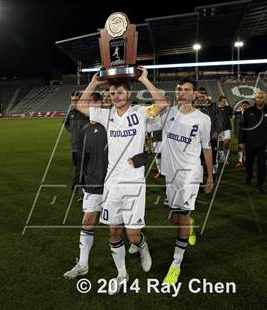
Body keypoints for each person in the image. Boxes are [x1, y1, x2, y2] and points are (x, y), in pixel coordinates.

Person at [75, 67, 168, 295]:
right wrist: (94, 84)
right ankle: (121, 273)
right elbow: (80, 106)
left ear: (128, 94)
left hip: (134, 184)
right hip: (111, 185)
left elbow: (163, 104)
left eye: (119, 92)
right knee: (114, 232)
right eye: (112, 93)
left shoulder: (140, 113)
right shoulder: (105, 116)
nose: (115, 96)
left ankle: (141, 245)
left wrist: (144, 79)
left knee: (132, 235)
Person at [149, 77, 214, 284]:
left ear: (195, 94)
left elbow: (206, 147)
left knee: (182, 218)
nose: (182, 92)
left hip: (190, 174)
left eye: (187, 89)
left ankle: (175, 264)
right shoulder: (168, 113)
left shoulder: (203, 119)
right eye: (179, 89)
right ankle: (191, 223)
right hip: (171, 174)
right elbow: (149, 124)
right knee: (178, 218)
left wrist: (210, 176)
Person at [63, 92, 108, 279]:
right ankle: (83, 264)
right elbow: (82, 158)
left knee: (119, 226)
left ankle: (138, 242)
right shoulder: (84, 130)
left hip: (113, 183)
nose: (88, 107)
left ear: (99, 104)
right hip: (93, 182)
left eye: (92, 103)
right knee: (87, 221)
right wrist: (79, 177)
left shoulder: (112, 124)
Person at [238, 91, 267, 193]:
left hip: (263, 146)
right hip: (249, 144)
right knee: (248, 164)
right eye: (257, 97)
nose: (259, 99)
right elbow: (242, 126)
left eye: (261, 97)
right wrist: (241, 141)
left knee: (262, 166)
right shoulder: (248, 111)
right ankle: (249, 174)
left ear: (265, 98)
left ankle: (259, 185)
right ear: (255, 98)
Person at [64, 91, 90, 192]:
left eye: (76, 100)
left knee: (86, 170)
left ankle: (83, 189)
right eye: (72, 100)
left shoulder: (86, 113)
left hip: (86, 147)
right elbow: (66, 124)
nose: (74, 102)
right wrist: (72, 132)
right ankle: (84, 191)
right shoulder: (70, 113)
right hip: (74, 147)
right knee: (79, 168)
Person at [196, 87, 220, 177]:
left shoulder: (214, 106)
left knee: (213, 155)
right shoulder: (195, 106)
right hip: (198, 137)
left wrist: (217, 131)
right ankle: (200, 175)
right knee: (199, 156)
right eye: (199, 97)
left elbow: (219, 119)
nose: (200, 99)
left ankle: (213, 173)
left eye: (202, 96)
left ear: (206, 96)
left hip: (211, 135)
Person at [234, 101, 251, 167]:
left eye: (246, 105)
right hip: (240, 131)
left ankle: (246, 160)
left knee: (247, 147)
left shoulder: (251, 114)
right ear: (241, 106)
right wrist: (235, 131)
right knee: (240, 146)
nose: (245, 107)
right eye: (243, 105)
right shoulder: (238, 113)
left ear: (249, 106)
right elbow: (235, 122)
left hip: (249, 132)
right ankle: (240, 161)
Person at [216, 95, 233, 164]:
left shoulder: (229, 108)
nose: (225, 103)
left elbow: (233, 114)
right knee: (220, 144)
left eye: (225, 101)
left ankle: (226, 158)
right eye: (223, 101)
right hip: (219, 129)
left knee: (226, 143)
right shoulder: (216, 109)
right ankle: (222, 158)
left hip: (227, 128)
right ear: (219, 101)